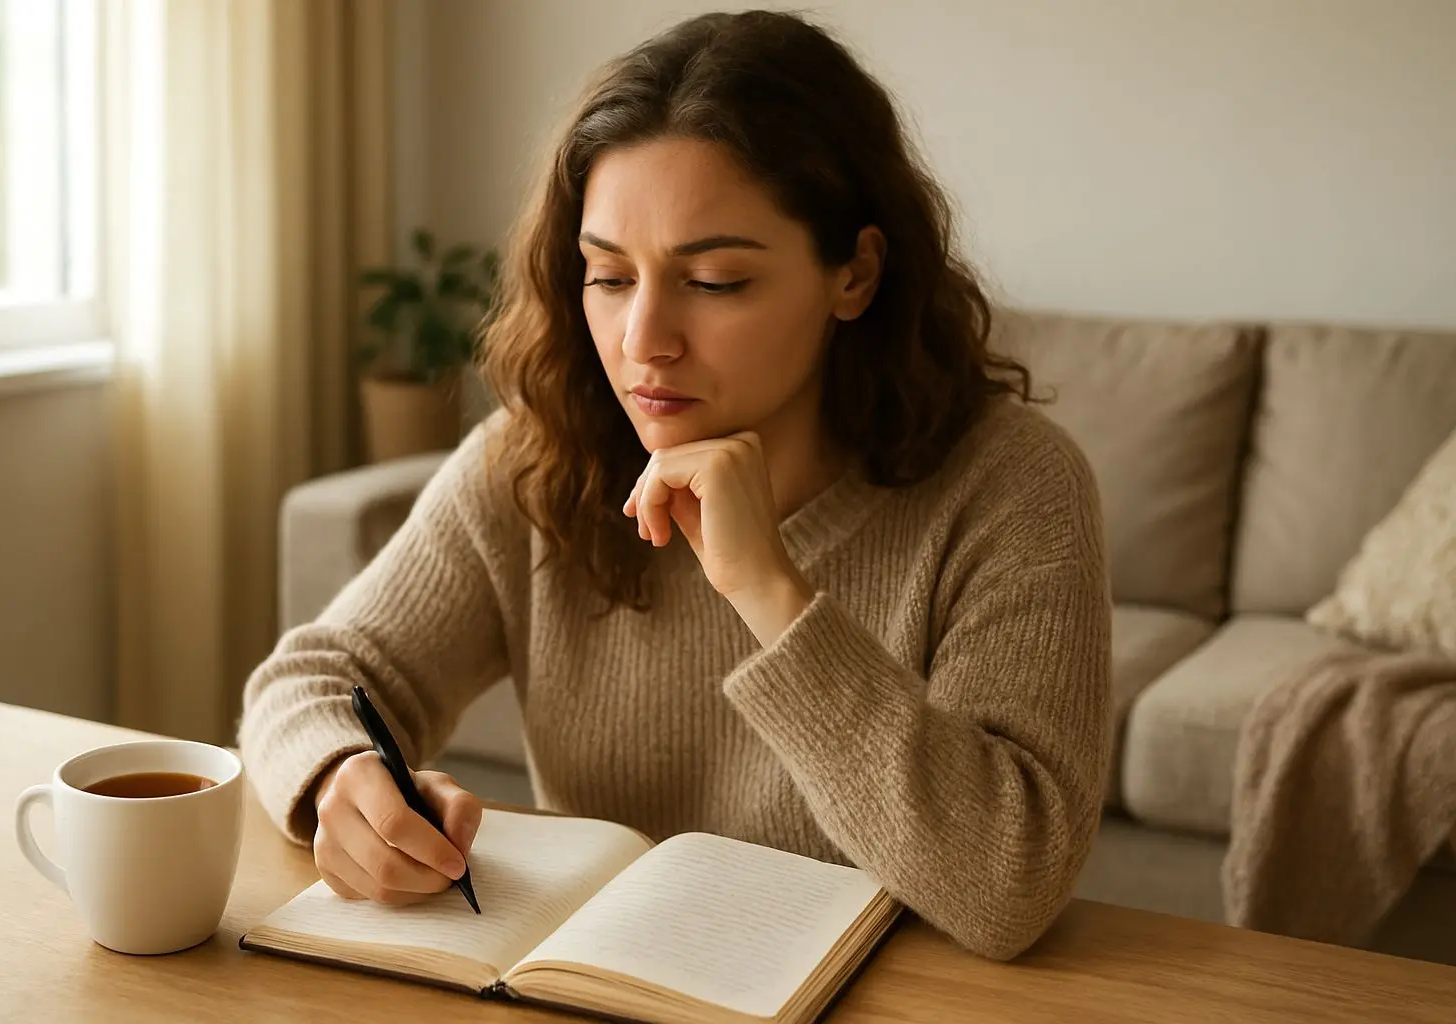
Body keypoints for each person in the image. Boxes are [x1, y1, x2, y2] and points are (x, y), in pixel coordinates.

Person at [240, 9, 1111, 961]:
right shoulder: (539, 458)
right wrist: (341, 778)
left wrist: (769, 589)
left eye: (716, 281)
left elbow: (1010, 886)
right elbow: (307, 681)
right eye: (609, 277)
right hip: (598, 989)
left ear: (855, 274)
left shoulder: (1011, 484)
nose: (643, 341)